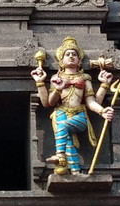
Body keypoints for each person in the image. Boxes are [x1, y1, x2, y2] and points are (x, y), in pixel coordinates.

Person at [31, 37, 114, 174]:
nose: (71, 57)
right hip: (60, 113)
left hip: (79, 115)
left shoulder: (84, 79)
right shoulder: (56, 79)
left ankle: (60, 155)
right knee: (67, 141)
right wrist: (46, 84)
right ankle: (76, 171)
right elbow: (48, 103)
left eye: (74, 54)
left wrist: (102, 107)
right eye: (67, 54)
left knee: (63, 127)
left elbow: (92, 102)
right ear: (61, 61)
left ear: (79, 60)